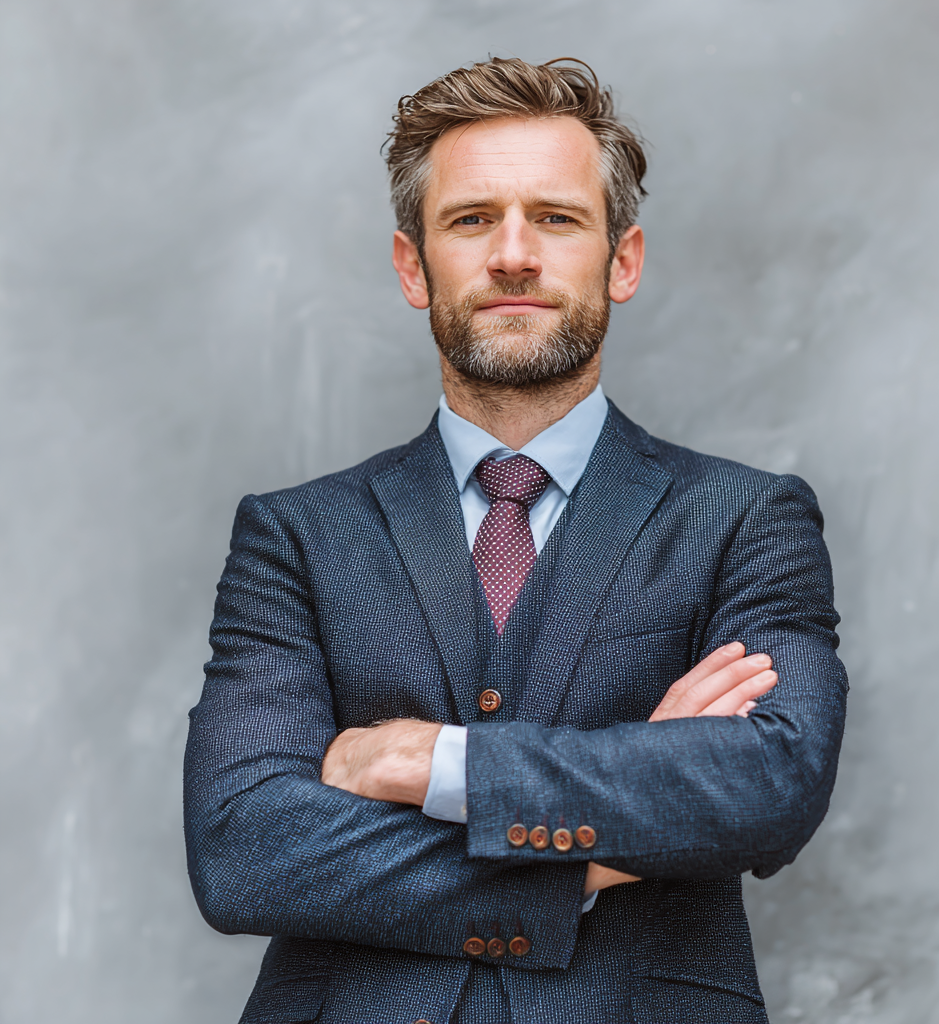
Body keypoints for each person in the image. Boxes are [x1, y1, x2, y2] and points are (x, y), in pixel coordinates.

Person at [184, 57, 847, 1024]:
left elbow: (768, 782)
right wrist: (607, 836)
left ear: (622, 259)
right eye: (470, 219)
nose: (514, 254)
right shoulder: (294, 537)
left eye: (558, 217)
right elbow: (244, 849)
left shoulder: (746, 519)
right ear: (415, 266)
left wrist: (433, 763)